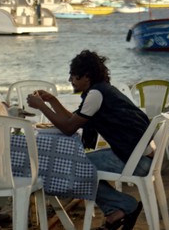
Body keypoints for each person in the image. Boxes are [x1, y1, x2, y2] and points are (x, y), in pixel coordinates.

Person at [27, 50, 148, 230]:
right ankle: (116, 211)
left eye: (73, 76)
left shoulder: (96, 94)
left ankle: (124, 205)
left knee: (76, 166)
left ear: (86, 76)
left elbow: (69, 128)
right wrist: (52, 100)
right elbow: (73, 120)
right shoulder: (102, 91)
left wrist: (41, 107)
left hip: (136, 159)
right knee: (79, 163)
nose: (70, 80)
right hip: (138, 154)